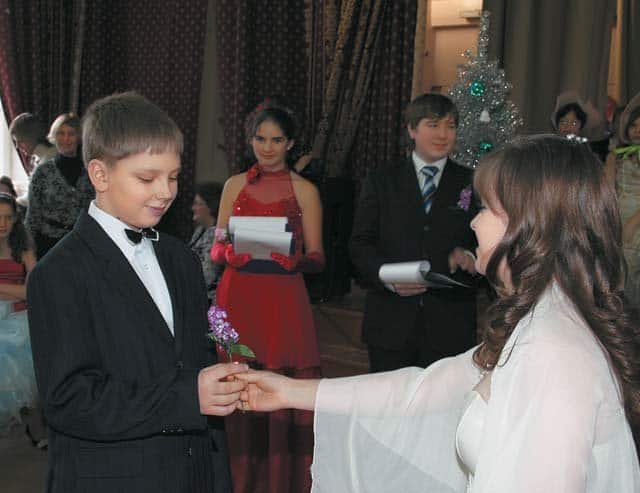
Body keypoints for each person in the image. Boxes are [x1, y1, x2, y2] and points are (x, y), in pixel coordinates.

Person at [238, 135, 640, 492]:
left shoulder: (553, 350)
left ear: (531, 225)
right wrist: (290, 391)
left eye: (488, 209)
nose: (475, 222)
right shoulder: (542, 319)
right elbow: (422, 390)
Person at [26, 92, 246, 493]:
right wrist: (188, 397)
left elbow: (193, 363)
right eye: (147, 178)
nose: (165, 192)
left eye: (174, 177)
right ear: (100, 174)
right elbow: (70, 401)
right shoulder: (57, 274)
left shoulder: (180, 258)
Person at [211, 100, 324, 493]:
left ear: (290, 143)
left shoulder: (305, 190)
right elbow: (216, 245)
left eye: (276, 140)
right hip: (237, 295)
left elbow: (318, 257)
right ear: (250, 140)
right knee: (235, 384)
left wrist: (297, 261)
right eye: (261, 139)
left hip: (283, 300)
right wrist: (227, 254)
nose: (268, 147)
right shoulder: (233, 185)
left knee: (281, 384)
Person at [350, 93, 478, 373]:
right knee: (389, 399)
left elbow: (483, 242)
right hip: (390, 323)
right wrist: (387, 277)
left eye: (450, 126)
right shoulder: (382, 180)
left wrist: (470, 255)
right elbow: (360, 244)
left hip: (450, 326)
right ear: (411, 129)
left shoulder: (472, 182)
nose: (443, 134)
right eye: (433, 125)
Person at [0, 193, 42, 441]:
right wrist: (15, 290)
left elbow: (32, 291)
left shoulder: (23, 248)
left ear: (16, 219)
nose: (3, 224)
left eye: (8, 218)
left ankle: (34, 428)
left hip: (18, 321)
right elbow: (23, 291)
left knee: (23, 375)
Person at [25, 112, 94, 259]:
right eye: (61, 133)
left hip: (80, 243)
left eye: (71, 134)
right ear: (54, 137)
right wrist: (27, 251)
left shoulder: (90, 172)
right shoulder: (42, 172)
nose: (65, 139)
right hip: (47, 244)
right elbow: (32, 216)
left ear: (79, 137)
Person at [605, 92, 640, 306]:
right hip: (617, 214)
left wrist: (633, 223)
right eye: (633, 125)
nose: (638, 130)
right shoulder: (616, 156)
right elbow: (607, 189)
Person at [189, 181, 224, 303]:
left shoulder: (216, 235)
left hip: (210, 301)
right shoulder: (200, 230)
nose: (193, 208)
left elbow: (207, 276)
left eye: (197, 204)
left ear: (211, 206)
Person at [551, 91, 608, 160]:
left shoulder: (585, 151)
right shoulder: (550, 149)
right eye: (563, 122)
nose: (568, 127)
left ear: (581, 127)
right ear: (557, 125)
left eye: (574, 123)